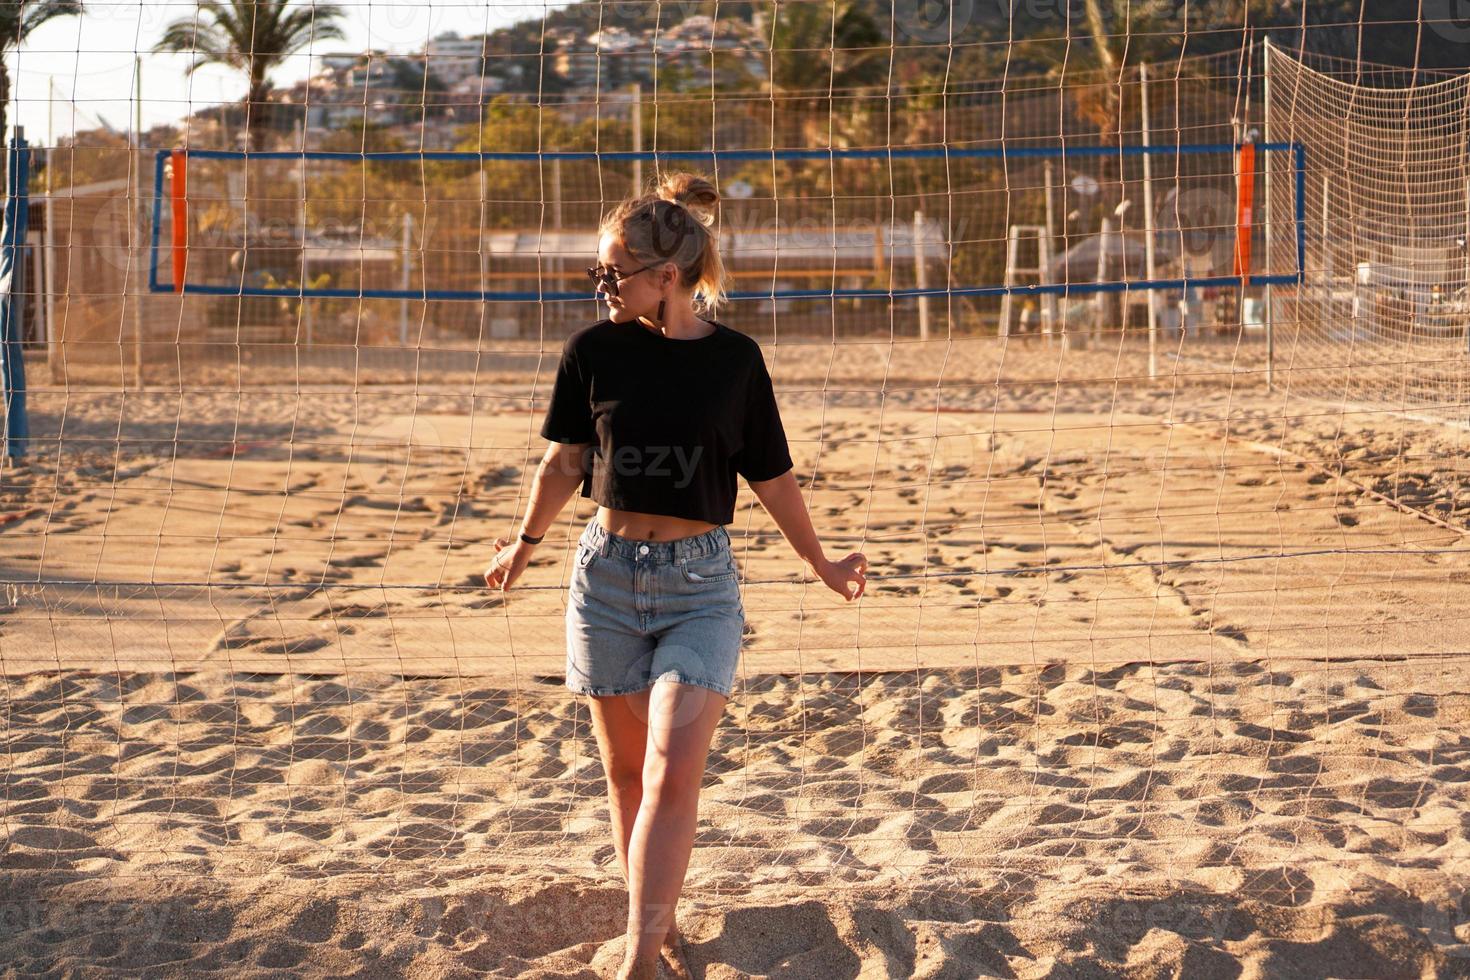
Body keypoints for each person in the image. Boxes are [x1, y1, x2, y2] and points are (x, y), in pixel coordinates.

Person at [483, 172, 868, 979]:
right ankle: (652, 929)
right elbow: (565, 463)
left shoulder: (735, 361)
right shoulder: (591, 351)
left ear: (667, 277)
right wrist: (523, 545)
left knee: (669, 765)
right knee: (626, 773)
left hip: (700, 590)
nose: (600, 284)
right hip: (607, 581)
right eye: (599, 269)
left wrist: (821, 562)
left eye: (613, 271)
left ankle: (638, 959)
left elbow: (772, 476)